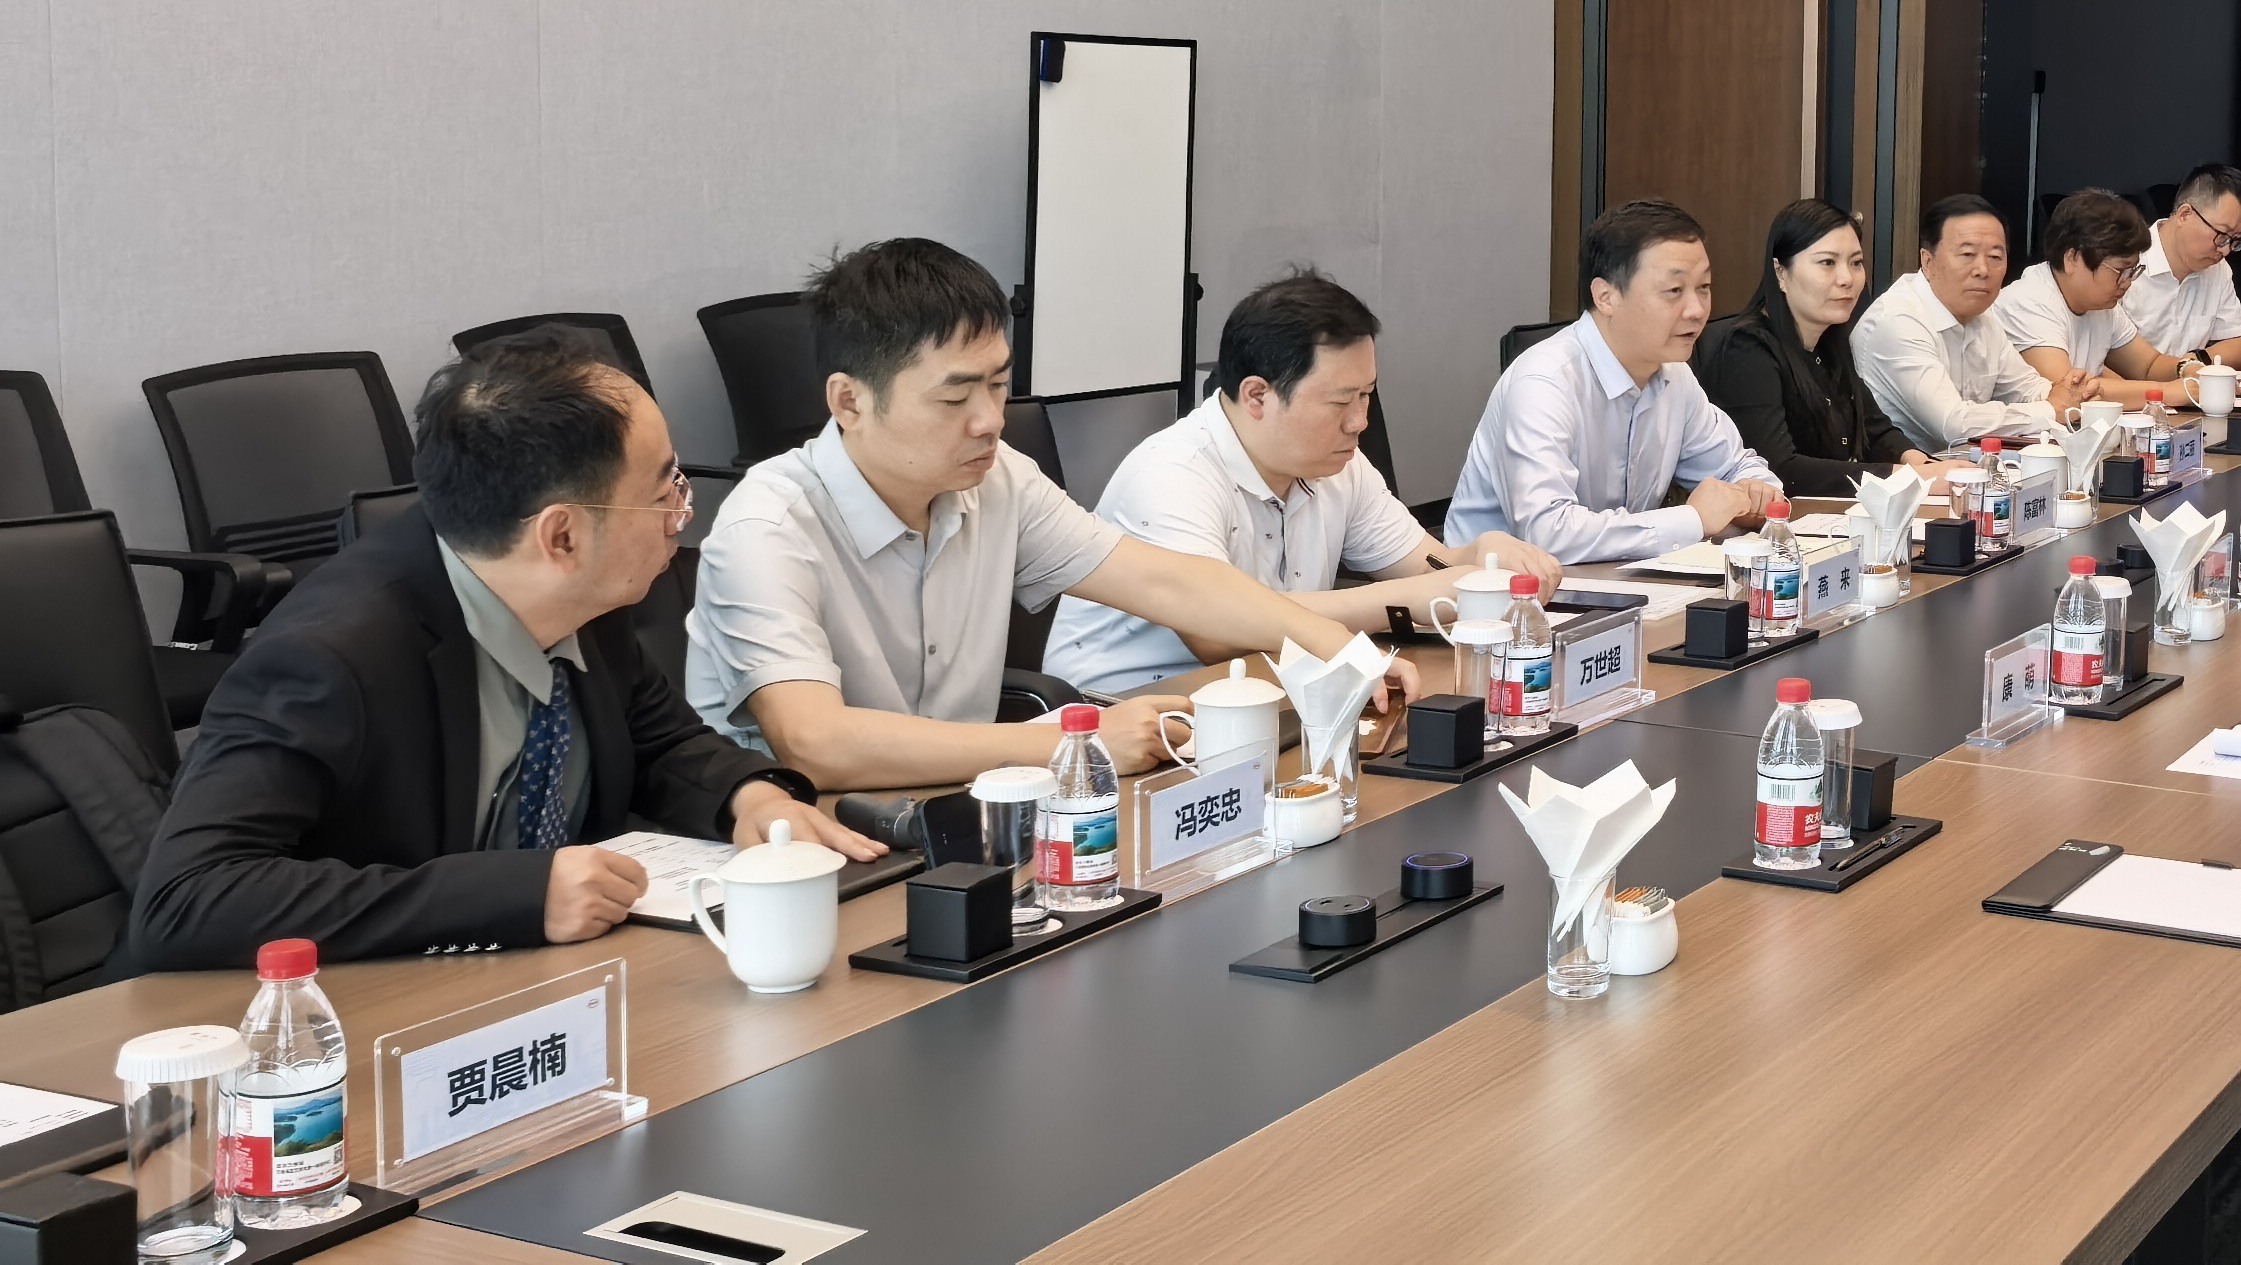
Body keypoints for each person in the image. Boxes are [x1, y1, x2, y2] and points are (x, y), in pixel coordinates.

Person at [137, 335, 885, 967]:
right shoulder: (327, 657)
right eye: (663, 492)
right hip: (343, 1025)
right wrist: (515, 894)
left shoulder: (581, 593)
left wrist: (747, 797)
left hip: (548, 986)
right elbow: (188, 897)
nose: (679, 515)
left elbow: (657, 740)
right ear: (562, 535)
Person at [689, 238, 1388, 790]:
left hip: (963, 805)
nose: (990, 420)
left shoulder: (1000, 481)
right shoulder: (767, 529)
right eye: (955, 397)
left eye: (999, 385)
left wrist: (1340, 649)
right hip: (795, 840)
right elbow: (815, 744)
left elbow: (1169, 581)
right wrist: (1068, 741)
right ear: (849, 401)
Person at [1043, 272, 1562, 697]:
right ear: (1257, 396)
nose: (1360, 421)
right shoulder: (1172, 473)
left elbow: (1426, 568)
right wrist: (1402, 600)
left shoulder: (1339, 465)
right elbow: (1215, 635)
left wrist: (1477, 557)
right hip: (1127, 712)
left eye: (1367, 395)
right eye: (1340, 402)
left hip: (1277, 690)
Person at [1449, 198, 1787, 562]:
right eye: (1674, 291)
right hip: (1494, 588)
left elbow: (1736, 466)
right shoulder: (1543, 382)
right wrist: (1693, 520)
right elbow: (1547, 533)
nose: (1697, 310)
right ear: (1605, 296)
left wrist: (1758, 495)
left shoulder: (1674, 375)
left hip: (1618, 581)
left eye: (1703, 287)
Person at [1694, 199, 1944, 494]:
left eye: (1856, 263)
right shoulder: (1746, 348)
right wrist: (1906, 477)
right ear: (1780, 272)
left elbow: (1875, 429)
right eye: (1827, 263)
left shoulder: (1828, 339)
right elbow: (1779, 468)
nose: (1847, 279)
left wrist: (1921, 463)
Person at [1856, 193, 2085, 450]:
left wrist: (2069, 394)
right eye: (1967, 254)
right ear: (1927, 261)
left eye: (1995, 257)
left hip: (1961, 464)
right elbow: (1953, 424)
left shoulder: (1983, 316)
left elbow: (2025, 387)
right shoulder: (1898, 320)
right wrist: (2050, 409)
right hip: (1901, 468)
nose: (1983, 270)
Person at [1995, 190, 2202, 409]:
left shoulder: (2102, 305)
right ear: (2072, 258)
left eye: (2133, 271)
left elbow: (2148, 366)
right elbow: (2070, 393)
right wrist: (2169, 393)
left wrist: (2188, 369)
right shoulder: (2028, 302)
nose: (2127, 282)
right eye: (2120, 271)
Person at [2123, 164, 2241, 369]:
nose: (2225, 251)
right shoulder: (2126, 261)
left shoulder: (2218, 269)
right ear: (2185, 214)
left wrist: (2194, 361)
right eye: (2221, 235)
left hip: (2188, 386)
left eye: (2234, 240)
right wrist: (2180, 372)